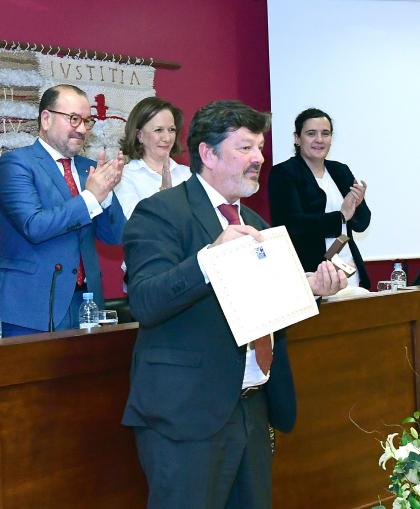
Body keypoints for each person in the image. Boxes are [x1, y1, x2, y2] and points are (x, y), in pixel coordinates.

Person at [121, 100, 346, 508]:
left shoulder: (257, 225)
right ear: (208, 153)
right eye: (245, 148)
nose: (259, 158)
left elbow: (264, 309)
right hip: (187, 414)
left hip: (250, 406)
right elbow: (145, 301)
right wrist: (209, 257)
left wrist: (309, 286)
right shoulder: (160, 212)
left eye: (259, 147)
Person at [0, 84, 126, 336]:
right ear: (46, 118)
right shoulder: (17, 163)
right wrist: (91, 197)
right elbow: (34, 225)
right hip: (31, 307)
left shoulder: (90, 169)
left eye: (87, 121)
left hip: (86, 304)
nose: (82, 129)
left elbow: (115, 237)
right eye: (74, 119)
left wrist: (104, 198)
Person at [269, 108, 371, 289]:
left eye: (325, 133)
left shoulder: (341, 170)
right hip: (311, 276)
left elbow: (361, 224)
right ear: (297, 138)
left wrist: (358, 203)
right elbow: (291, 226)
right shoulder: (284, 173)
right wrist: (340, 216)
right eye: (311, 134)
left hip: (348, 270)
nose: (319, 140)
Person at [114, 96, 191, 219]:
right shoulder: (124, 177)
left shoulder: (188, 174)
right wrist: (164, 198)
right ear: (139, 135)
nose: (167, 138)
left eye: (171, 130)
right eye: (159, 130)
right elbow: (135, 224)